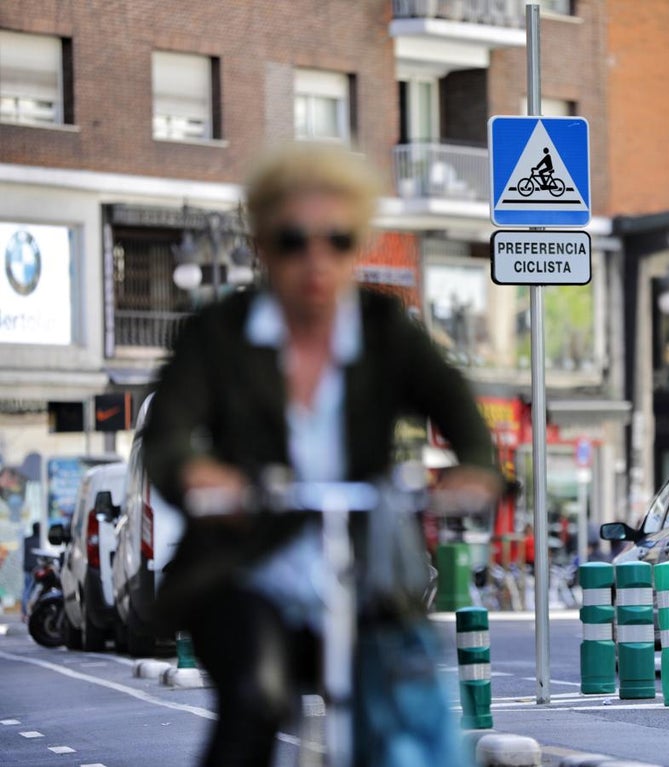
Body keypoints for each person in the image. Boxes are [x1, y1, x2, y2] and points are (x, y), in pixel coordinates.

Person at [142, 142, 502, 767]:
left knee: (399, 714)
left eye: (335, 240)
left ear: (357, 243)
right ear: (260, 243)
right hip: (245, 568)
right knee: (254, 702)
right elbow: (166, 437)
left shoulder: (385, 329)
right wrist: (200, 476)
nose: (315, 259)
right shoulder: (219, 334)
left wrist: (473, 467)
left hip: (362, 568)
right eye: (291, 241)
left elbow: (460, 413)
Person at [21, 522, 40, 621]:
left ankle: (24, 613)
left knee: (26, 591)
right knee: (34, 591)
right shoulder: (40, 541)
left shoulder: (27, 540)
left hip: (27, 568)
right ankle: (30, 612)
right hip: (36, 569)